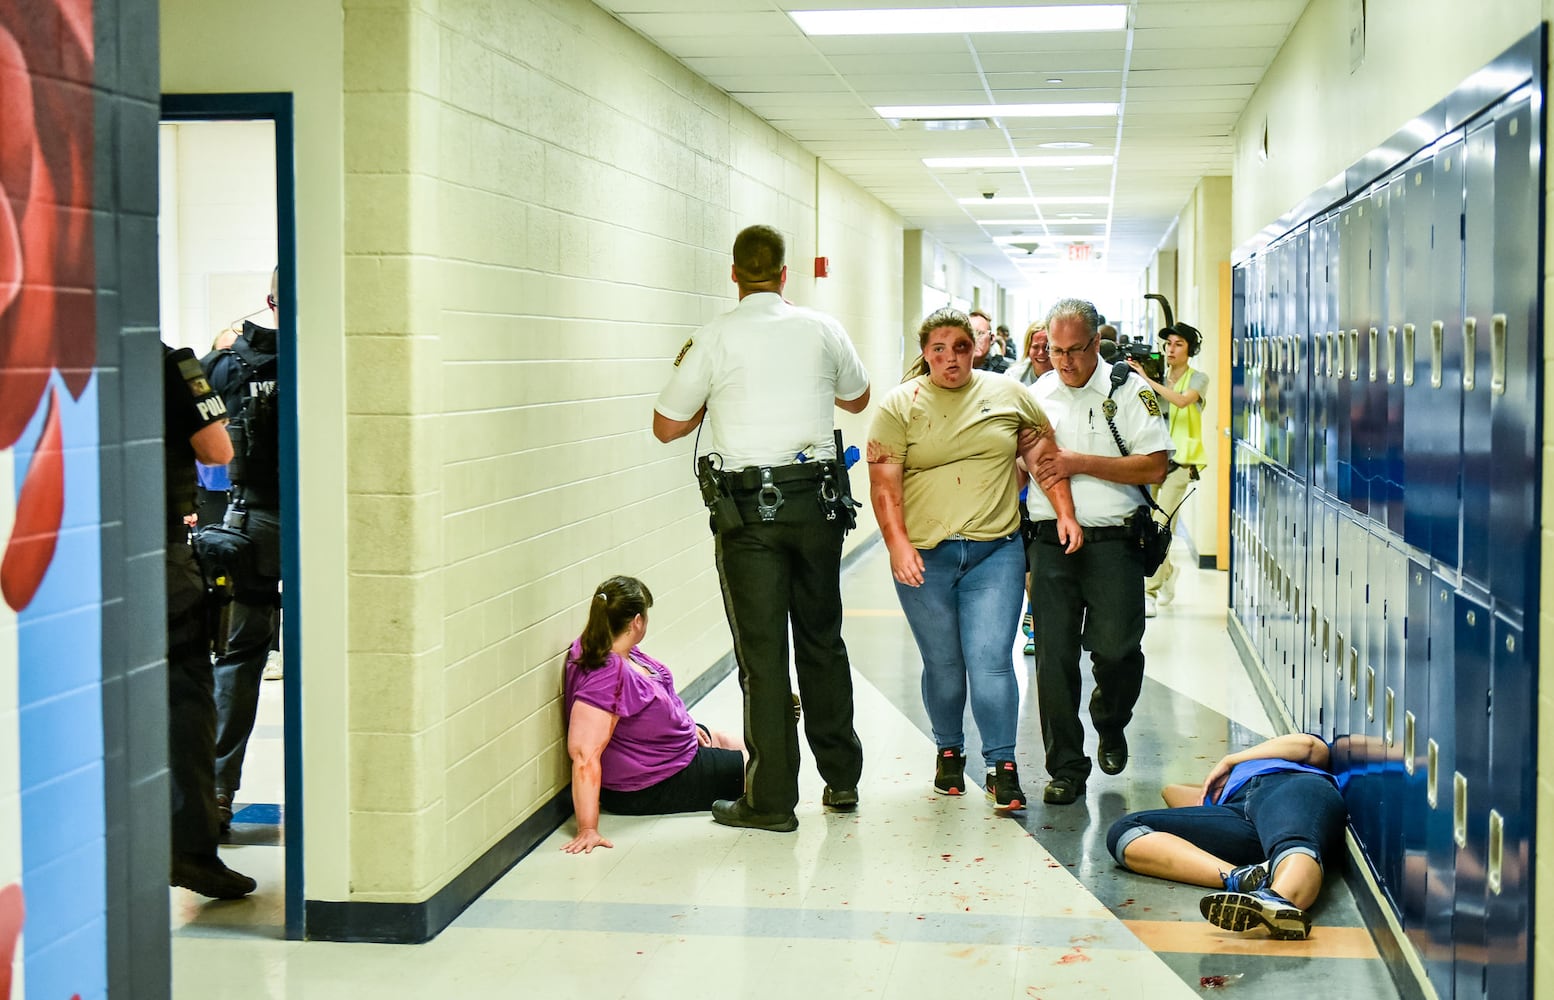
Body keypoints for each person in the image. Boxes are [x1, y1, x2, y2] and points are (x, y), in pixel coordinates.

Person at [653, 224, 869, 833]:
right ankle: (843, 781)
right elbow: (858, 398)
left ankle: (771, 802)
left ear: (733, 273)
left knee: (764, 656)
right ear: (782, 274)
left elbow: (667, 425)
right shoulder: (824, 329)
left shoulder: (713, 337)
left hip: (748, 518)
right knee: (822, 640)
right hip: (818, 507)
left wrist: (716, 398)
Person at [867, 308, 1080, 811]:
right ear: (924, 352)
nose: (950, 358)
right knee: (943, 664)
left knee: (990, 663)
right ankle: (949, 752)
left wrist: (1066, 512)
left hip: (995, 551)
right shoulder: (900, 405)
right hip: (925, 556)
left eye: (960, 347)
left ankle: (1002, 767)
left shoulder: (1007, 395)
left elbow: (1043, 458)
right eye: (938, 349)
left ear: (975, 348)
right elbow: (883, 485)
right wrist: (898, 544)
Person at [1026, 298, 1171, 805]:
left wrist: (1079, 462)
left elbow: (1154, 466)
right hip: (1050, 544)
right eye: (1055, 350)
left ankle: (1111, 721)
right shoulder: (1038, 394)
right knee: (1054, 660)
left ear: (1096, 344)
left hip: (1114, 544)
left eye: (1075, 350)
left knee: (1115, 650)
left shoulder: (1129, 391)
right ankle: (1066, 766)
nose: (1065, 362)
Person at [163, 343, 256, 898]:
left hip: (73, 559)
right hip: (157, 557)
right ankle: (191, 852)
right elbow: (217, 451)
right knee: (185, 701)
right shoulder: (170, 364)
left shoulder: (56, 357)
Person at [562, 576, 746, 854]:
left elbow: (649, 699)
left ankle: (773, 739)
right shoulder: (606, 675)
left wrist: (683, 725)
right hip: (650, 782)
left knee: (737, 742)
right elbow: (584, 755)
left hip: (669, 752)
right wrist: (588, 829)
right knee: (760, 771)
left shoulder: (615, 649)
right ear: (637, 621)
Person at [1105, 733, 1347, 940]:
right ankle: (1241, 878)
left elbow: (1311, 746)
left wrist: (1230, 761)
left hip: (1289, 787)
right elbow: (1171, 792)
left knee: (1293, 842)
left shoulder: (1276, 761)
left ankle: (1279, 901)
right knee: (1126, 829)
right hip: (1237, 813)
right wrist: (1210, 790)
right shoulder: (1227, 789)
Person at [202, 270, 283, 831]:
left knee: (238, 663)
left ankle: (216, 796)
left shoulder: (226, 363)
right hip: (322, 526)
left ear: (269, 300)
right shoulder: (333, 355)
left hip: (249, 522)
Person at [1128, 322, 1208, 615]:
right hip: (1153, 461)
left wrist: (1147, 380)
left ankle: (1149, 591)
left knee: (1161, 526)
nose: (1171, 350)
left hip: (1181, 464)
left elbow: (1182, 401)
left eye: (1178, 345)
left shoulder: (1198, 379)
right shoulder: (1158, 375)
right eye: (1168, 344)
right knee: (1149, 524)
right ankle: (1168, 571)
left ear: (1190, 350)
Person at [1008, 322, 1052, 387]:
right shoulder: (1013, 377)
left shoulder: (1066, 377)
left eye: (1047, 347)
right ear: (1028, 349)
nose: (1041, 352)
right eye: (1035, 347)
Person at [969, 310, 1010, 374]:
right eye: (970, 334)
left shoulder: (1004, 371)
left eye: (980, 333)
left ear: (992, 338)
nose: (974, 339)